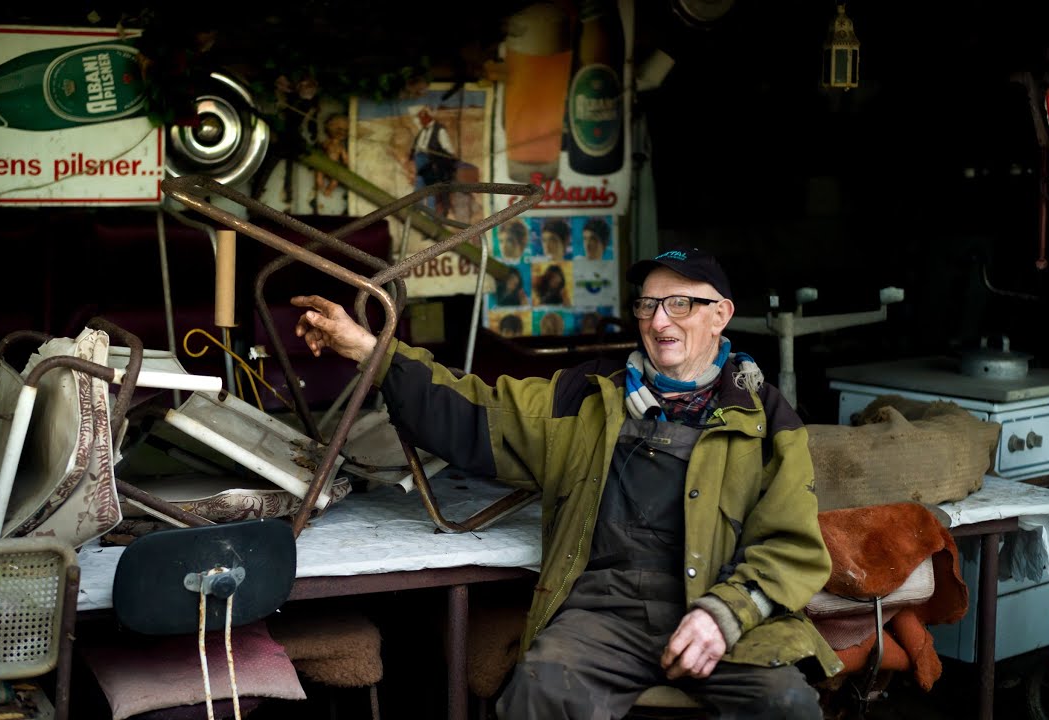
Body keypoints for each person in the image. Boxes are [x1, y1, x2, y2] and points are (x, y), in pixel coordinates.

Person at [290, 246, 840, 720]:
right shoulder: (586, 397)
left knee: (786, 704)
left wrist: (724, 614)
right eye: (648, 305)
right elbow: (476, 412)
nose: (660, 321)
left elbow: (790, 546)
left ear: (721, 315)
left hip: (722, 614)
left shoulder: (765, 417)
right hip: (604, 616)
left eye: (680, 304)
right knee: (540, 690)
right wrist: (370, 351)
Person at [407, 105, 458, 217]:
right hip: (420, 162)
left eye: (422, 117)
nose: (420, 120)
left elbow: (448, 150)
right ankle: (417, 212)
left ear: (428, 117)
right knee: (419, 185)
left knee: (428, 188)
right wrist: (411, 158)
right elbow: (416, 147)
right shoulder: (422, 132)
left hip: (431, 163)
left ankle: (429, 215)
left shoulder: (439, 130)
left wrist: (441, 161)